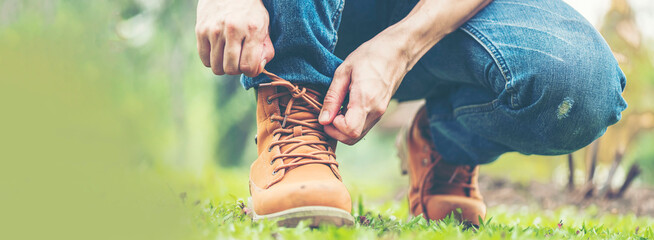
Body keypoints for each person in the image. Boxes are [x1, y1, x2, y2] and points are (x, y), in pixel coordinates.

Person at [195, 0, 627, 227]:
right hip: (310, 10)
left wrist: (402, 45)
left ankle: (444, 143)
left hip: (438, 14)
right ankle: (295, 124)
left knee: (582, 86)